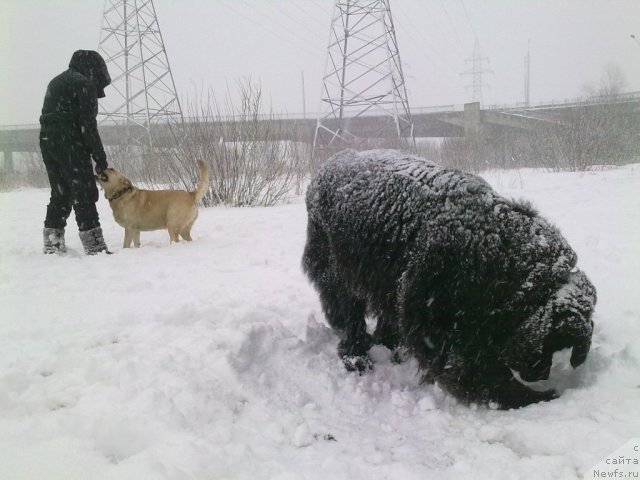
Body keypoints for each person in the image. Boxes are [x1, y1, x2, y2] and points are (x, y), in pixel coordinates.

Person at [39, 50, 112, 255]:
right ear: (94, 69)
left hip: (47, 141)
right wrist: (100, 158)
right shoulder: (84, 84)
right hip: (69, 141)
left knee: (61, 191)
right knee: (84, 192)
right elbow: (87, 126)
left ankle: (52, 244)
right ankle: (95, 246)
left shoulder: (56, 82)